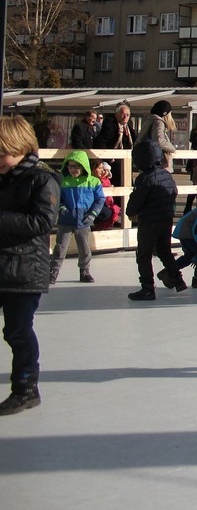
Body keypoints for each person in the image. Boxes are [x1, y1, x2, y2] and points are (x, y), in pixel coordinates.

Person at [0, 116, 58, 415]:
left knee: (18, 330)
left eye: (2, 154)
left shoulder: (42, 178)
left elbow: (43, 221)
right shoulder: (5, 178)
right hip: (3, 265)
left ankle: (25, 387)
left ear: (20, 148)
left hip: (24, 270)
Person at [126, 140, 185, 301]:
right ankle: (177, 279)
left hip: (149, 221)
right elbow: (174, 192)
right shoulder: (166, 174)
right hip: (165, 219)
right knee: (164, 251)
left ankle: (147, 288)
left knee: (143, 254)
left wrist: (130, 212)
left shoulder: (144, 178)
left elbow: (136, 200)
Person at [49, 149, 106, 285]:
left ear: (84, 166)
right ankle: (53, 272)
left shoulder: (93, 182)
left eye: (77, 166)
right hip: (66, 220)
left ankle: (84, 271)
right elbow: (56, 198)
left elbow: (100, 199)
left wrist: (92, 214)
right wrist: (61, 208)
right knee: (60, 247)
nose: (73, 169)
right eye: (70, 166)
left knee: (84, 247)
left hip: (84, 220)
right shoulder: (63, 182)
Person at [134, 100, 178, 170]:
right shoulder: (158, 123)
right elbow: (159, 140)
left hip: (147, 162)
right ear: (165, 114)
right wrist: (173, 149)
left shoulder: (148, 122)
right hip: (157, 163)